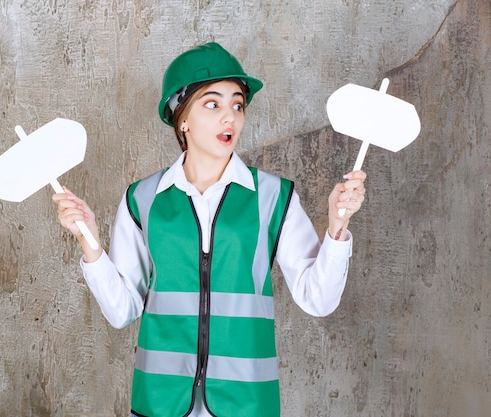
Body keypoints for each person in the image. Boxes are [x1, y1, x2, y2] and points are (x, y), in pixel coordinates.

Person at [52, 42, 366, 417]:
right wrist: (90, 244)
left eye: (237, 105)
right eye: (212, 104)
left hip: (246, 403)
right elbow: (122, 311)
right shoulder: (143, 199)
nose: (229, 118)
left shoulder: (273, 197)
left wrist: (336, 228)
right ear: (181, 117)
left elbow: (318, 299)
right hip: (160, 402)